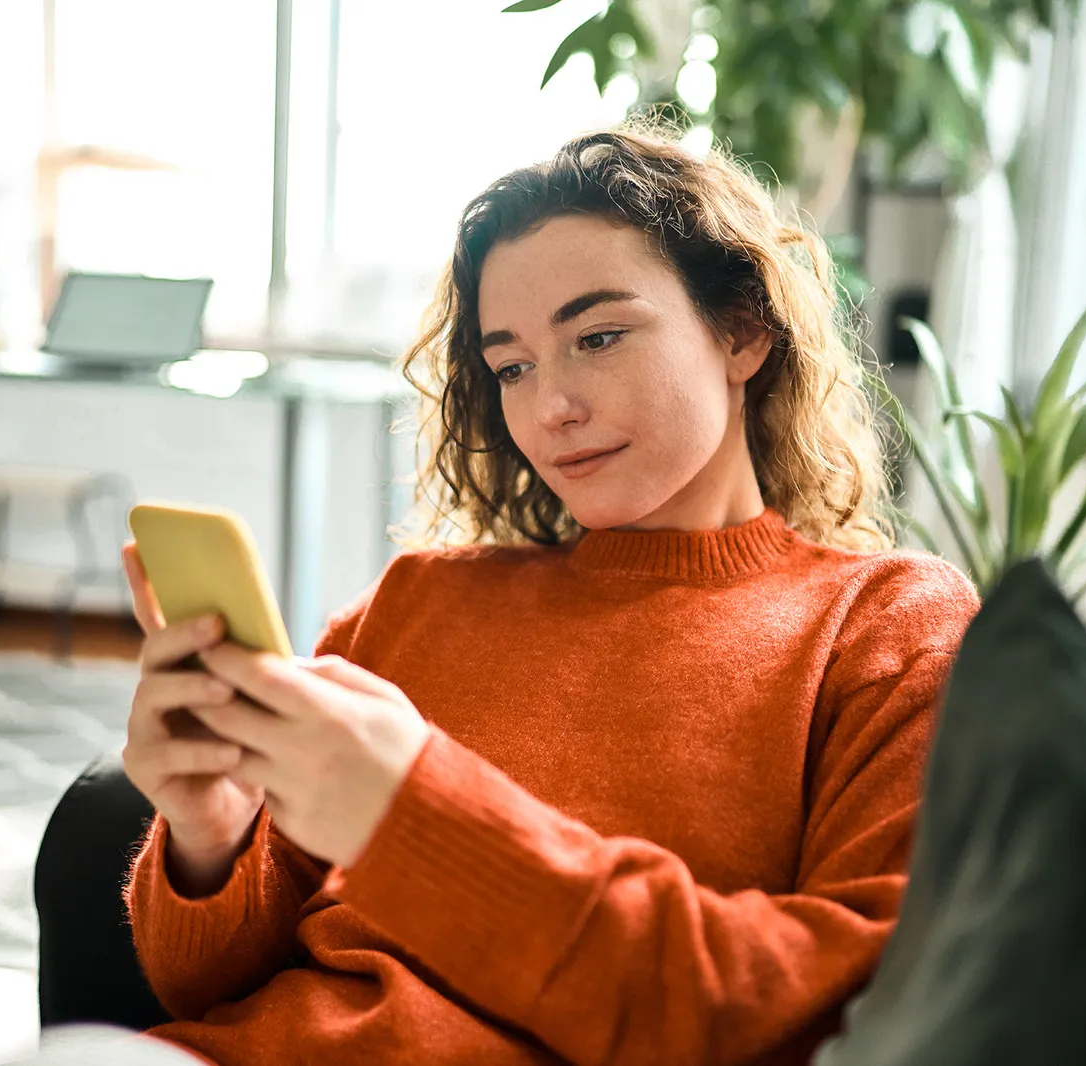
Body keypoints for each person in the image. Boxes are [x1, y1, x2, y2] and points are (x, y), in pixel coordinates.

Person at [117, 123, 977, 1066]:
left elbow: (831, 1011)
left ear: (743, 332)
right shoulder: (415, 604)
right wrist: (209, 838)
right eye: (512, 366)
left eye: (597, 337)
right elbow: (197, 985)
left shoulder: (886, 628)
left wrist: (419, 816)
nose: (550, 408)